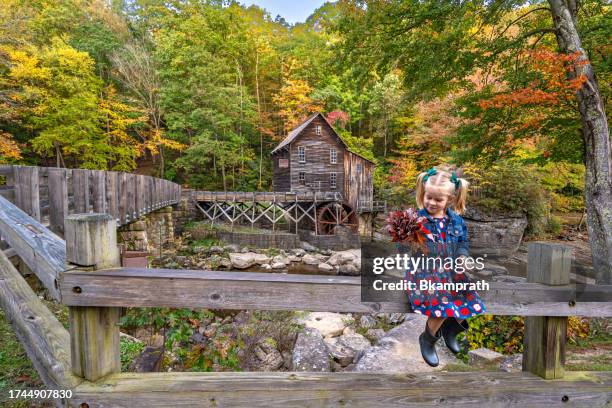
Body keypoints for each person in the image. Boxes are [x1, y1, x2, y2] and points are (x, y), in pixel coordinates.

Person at [404, 165, 486, 367]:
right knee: (443, 294)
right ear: (423, 193)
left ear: (449, 200)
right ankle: (428, 337)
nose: (431, 202)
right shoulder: (417, 219)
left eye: (438, 199)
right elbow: (404, 248)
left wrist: (462, 257)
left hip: (448, 270)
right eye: (428, 197)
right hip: (424, 271)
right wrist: (409, 242)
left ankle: (451, 329)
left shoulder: (456, 221)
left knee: (468, 293)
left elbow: (462, 243)